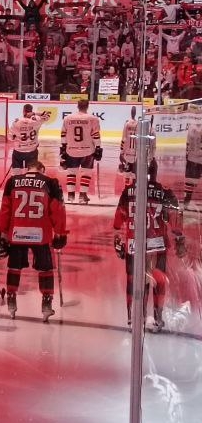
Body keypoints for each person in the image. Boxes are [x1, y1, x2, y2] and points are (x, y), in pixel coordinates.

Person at [0, 155, 67, 320]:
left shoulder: (12, 182)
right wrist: (60, 233)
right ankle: (46, 304)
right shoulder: (50, 183)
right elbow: (57, 210)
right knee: (45, 268)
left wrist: (2, 232)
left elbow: (5, 210)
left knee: (14, 267)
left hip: (17, 233)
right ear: (42, 170)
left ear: (27, 170)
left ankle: (11, 300)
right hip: (41, 234)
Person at [113, 160, 184, 330]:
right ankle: (158, 318)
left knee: (135, 281)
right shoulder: (165, 192)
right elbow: (175, 220)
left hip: (134, 244)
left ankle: (134, 317)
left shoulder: (128, 192)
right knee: (158, 281)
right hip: (157, 244)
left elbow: (118, 221)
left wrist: (118, 241)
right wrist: (180, 240)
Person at [60, 99, 102, 203]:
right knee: (86, 173)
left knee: (71, 172)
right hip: (88, 150)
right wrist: (98, 147)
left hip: (71, 149)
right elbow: (95, 135)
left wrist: (64, 147)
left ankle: (70, 196)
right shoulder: (93, 119)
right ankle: (82, 196)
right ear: (87, 106)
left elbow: (63, 134)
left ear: (77, 106)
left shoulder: (67, 118)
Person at [8, 104, 41, 175]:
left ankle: (16, 180)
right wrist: (34, 113)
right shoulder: (37, 121)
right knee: (31, 172)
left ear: (23, 111)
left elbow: (10, 137)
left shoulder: (16, 122)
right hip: (32, 150)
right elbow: (47, 115)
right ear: (31, 111)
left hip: (18, 151)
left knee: (16, 173)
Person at [182, 116, 202, 204]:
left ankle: (187, 201)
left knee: (189, 183)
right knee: (191, 183)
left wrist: (187, 156)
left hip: (191, 159)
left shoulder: (190, 127)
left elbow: (187, 144)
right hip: (198, 160)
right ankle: (187, 201)